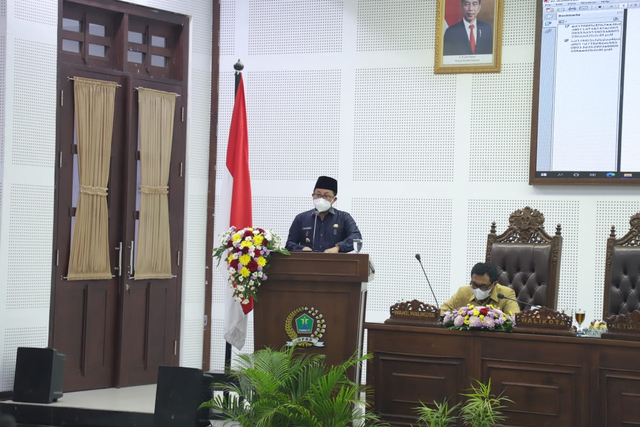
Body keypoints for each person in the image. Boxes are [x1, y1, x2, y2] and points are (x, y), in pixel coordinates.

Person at [286, 176, 361, 253]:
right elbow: (289, 244)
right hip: (308, 263)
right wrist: (301, 248)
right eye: (318, 194)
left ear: (334, 199)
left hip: (336, 263)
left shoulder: (344, 217)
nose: (321, 199)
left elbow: (356, 238)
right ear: (313, 195)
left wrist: (338, 247)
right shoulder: (301, 218)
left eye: (326, 196)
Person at [440, 262, 520, 315]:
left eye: (483, 287)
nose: (477, 289)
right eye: (474, 285)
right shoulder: (463, 292)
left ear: (494, 284)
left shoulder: (506, 294)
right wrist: (455, 314)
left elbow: (514, 320)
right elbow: (441, 312)